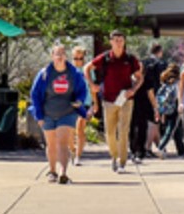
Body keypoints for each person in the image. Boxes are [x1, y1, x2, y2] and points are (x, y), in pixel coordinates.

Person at [30, 43, 93, 184]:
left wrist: (79, 101)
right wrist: (39, 115)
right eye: (56, 54)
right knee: (51, 144)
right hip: (48, 113)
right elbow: (35, 95)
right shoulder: (44, 74)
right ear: (52, 56)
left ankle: (63, 172)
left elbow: (82, 90)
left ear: (66, 56)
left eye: (62, 54)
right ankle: (52, 171)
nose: (59, 57)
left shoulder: (74, 74)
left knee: (63, 142)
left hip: (67, 112)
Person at [86, 30, 143, 173]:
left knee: (123, 131)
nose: (118, 43)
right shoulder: (105, 58)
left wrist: (134, 89)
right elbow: (87, 68)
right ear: (110, 42)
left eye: (121, 40)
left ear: (124, 42)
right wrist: (91, 84)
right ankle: (114, 156)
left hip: (126, 99)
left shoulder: (130, 59)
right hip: (109, 100)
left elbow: (140, 77)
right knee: (110, 133)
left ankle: (122, 162)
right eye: (115, 40)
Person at [133, 42, 168, 160]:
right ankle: (148, 147)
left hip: (137, 99)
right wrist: (156, 105)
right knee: (153, 123)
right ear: (160, 51)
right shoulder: (161, 64)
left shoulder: (144, 62)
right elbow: (153, 88)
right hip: (154, 96)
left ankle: (152, 147)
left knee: (145, 124)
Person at [71, 45, 95, 165]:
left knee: (80, 128)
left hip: (84, 103)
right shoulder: (68, 70)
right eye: (76, 58)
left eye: (80, 58)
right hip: (70, 103)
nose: (78, 61)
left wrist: (93, 105)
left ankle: (78, 156)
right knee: (70, 130)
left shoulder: (88, 71)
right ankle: (73, 149)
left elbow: (92, 88)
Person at [155, 66, 184, 157]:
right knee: (171, 128)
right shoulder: (177, 82)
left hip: (167, 108)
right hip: (175, 107)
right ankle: (160, 147)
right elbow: (178, 95)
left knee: (177, 129)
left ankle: (182, 150)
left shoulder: (165, 82)